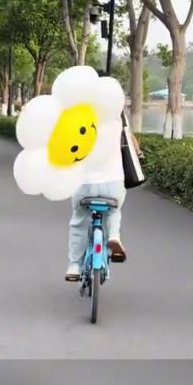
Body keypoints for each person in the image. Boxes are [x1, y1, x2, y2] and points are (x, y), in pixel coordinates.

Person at [65, 74, 142, 282]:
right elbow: (132, 142)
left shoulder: (78, 117)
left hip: (84, 184)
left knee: (79, 221)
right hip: (113, 183)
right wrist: (139, 153)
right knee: (113, 211)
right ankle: (114, 236)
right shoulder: (117, 118)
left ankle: (74, 265)